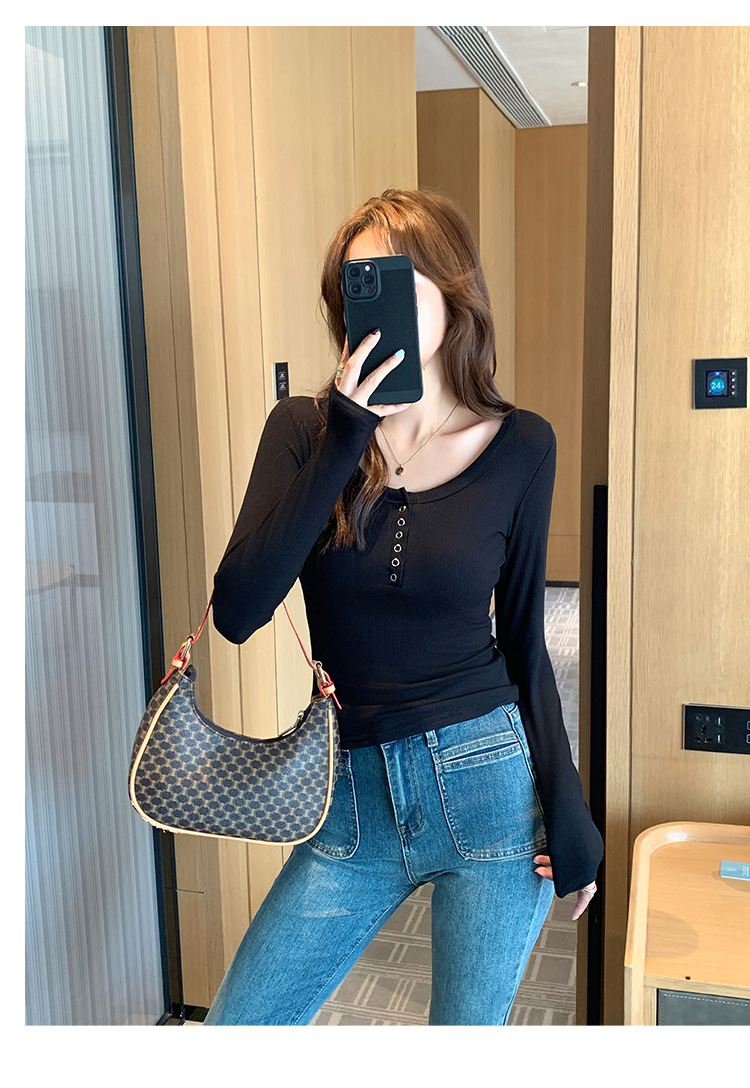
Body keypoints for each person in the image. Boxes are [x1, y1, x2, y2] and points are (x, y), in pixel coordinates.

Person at [204, 187, 603, 1026]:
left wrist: (568, 802)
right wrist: (348, 433)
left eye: (394, 277)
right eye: (357, 284)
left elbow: (524, 639)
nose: (372, 300)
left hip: (487, 788)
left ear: (452, 291)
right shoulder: (305, 432)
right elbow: (238, 613)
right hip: (348, 805)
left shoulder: (522, 445)